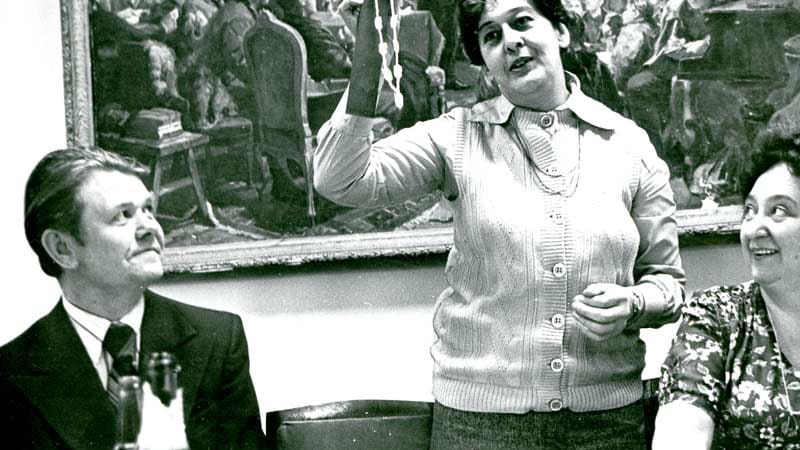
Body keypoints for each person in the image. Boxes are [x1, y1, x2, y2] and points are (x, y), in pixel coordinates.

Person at [314, 0, 685, 447]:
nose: (510, 41)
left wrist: (634, 303)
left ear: (561, 33)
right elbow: (339, 178)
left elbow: (667, 283)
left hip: (606, 425)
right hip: (480, 427)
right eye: (491, 36)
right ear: (486, 63)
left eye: (522, 21)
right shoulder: (455, 137)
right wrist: (366, 73)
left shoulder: (629, 145)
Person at [0, 147, 266, 450]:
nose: (150, 228)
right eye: (122, 216)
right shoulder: (10, 373)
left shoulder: (217, 339)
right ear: (62, 249)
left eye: (148, 210)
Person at [654, 131, 800, 449]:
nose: (754, 228)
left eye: (779, 210)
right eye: (749, 210)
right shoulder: (716, 316)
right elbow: (681, 432)